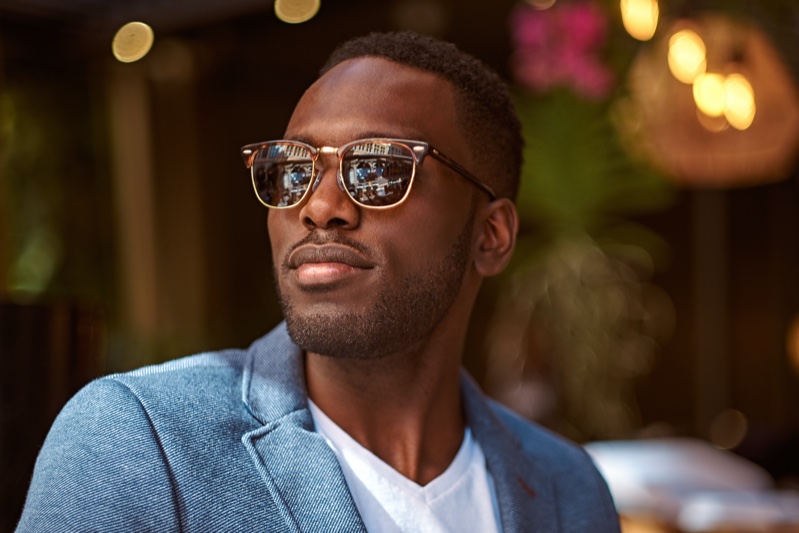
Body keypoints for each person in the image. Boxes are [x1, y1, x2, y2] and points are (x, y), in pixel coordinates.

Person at [17, 31, 620, 532]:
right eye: (290, 171)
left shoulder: (569, 489)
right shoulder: (141, 445)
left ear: (491, 235)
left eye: (378, 168)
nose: (319, 205)